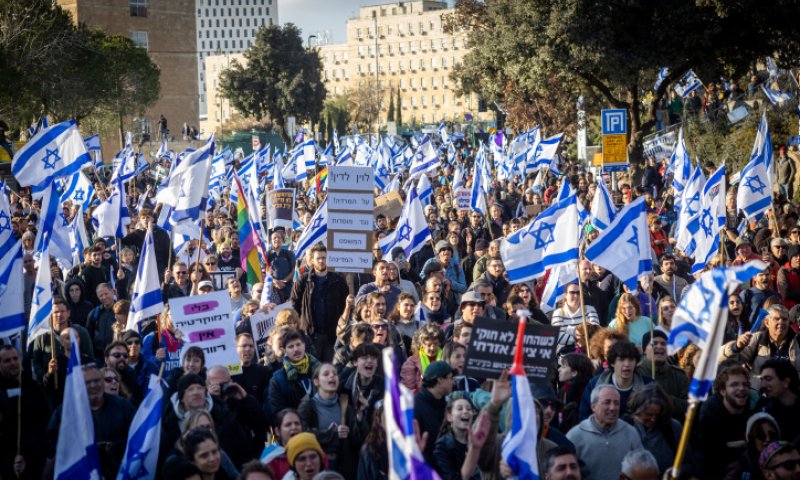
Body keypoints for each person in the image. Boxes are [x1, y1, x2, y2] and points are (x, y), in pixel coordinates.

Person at [46, 364, 135, 480]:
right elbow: (50, 442)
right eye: (87, 382)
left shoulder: (123, 407)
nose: (93, 385)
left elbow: (137, 436)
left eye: (97, 380)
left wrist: (114, 447)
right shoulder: (65, 411)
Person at [297, 363, 369, 476]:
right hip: (317, 467)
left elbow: (358, 440)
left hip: (344, 467)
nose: (332, 376)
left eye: (335, 374)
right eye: (326, 374)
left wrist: (359, 414)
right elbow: (302, 434)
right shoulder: (308, 406)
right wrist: (333, 433)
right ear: (316, 382)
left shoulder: (345, 405)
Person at [566, 386, 643, 480]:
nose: (612, 408)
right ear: (593, 406)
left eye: (616, 403)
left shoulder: (630, 433)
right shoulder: (575, 436)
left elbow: (641, 469)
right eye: (607, 402)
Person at [291, 244, 349, 362]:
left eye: (324, 257)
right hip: (311, 335)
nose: (321, 261)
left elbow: (345, 304)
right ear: (312, 260)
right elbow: (294, 304)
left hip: (332, 335)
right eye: (318, 258)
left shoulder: (338, 280)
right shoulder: (303, 281)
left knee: (330, 370)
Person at [722, 304, 800, 387]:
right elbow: (734, 361)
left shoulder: (798, 341)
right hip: (760, 394)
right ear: (767, 323)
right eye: (776, 319)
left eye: (785, 319)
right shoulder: (756, 339)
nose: (781, 322)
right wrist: (736, 347)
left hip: (791, 395)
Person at [698, 364, 755, 478]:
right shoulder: (710, 413)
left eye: (745, 384)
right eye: (734, 385)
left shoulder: (754, 407)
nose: (742, 388)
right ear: (723, 391)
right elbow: (711, 453)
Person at [579, 341, 652, 421]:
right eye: (621, 360)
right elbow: (584, 415)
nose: (627, 364)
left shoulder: (648, 385)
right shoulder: (595, 383)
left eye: (631, 359)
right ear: (613, 363)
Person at [623, 384, 682, 475]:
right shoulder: (624, 427)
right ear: (637, 411)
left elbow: (686, 463)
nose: (653, 419)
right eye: (648, 414)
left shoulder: (672, 428)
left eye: (657, 415)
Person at [432, 395, 491, 480]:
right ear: (449, 417)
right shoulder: (441, 447)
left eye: (469, 409)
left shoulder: (479, 441)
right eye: (460, 409)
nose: (465, 411)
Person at [267, 328, 321, 416]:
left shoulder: (320, 369)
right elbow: (278, 413)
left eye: (298, 344)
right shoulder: (278, 379)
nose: (296, 349)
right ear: (285, 351)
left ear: (304, 345)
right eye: (290, 346)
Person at [636, 329, 689, 416]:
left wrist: (664, 398)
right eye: (654, 343)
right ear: (644, 350)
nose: (659, 346)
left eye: (663, 344)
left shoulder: (678, 375)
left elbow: (687, 406)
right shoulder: (636, 372)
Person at [414, 361, 454, 465]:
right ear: (440, 380)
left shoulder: (445, 404)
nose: (452, 382)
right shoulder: (416, 406)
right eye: (450, 378)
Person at [725, 412, 781, 480]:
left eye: (772, 435)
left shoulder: (788, 462)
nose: (768, 439)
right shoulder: (739, 467)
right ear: (751, 439)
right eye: (761, 435)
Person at [759, 359, 800, 443]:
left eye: (768, 379)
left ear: (785, 382)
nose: (762, 385)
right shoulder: (763, 408)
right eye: (762, 380)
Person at [550, 282, 600, 348]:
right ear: (565, 295)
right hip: (566, 354)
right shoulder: (558, 313)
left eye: (578, 293)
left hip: (588, 353)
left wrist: (568, 329)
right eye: (572, 292)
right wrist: (579, 339)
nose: (576, 296)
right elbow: (558, 337)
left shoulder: (590, 310)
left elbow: (596, 331)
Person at [401, 322, 445, 392]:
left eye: (436, 344)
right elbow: (408, 390)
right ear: (421, 344)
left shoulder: (446, 358)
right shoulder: (411, 362)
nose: (432, 348)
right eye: (429, 345)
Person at [265, 408, 303, 479]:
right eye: (288, 425)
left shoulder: (313, 451)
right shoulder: (269, 459)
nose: (294, 427)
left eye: (297, 423)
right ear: (278, 431)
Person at [232, 333, 270, 404]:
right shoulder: (230, 374)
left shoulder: (263, 371)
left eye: (251, 346)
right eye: (244, 346)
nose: (248, 349)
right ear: (236, 349)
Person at [86, 283, 118, 363]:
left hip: (117, 355)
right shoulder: (94, 314)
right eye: (101, 295)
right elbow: (88, 335)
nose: (104, 297)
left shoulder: (121, 312)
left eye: (106, 294)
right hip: (99, 357)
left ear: (112, 292)